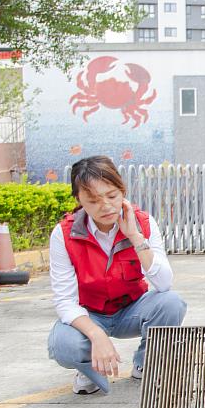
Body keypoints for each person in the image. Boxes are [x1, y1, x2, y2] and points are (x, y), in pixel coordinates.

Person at [48, 156, 187, 394]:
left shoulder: (143, 222)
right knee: (63, 344)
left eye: (112, 196)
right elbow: (64, 301)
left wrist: (134, 236)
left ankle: (146, 362)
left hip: (132, 310)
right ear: (79, 200)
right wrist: (95, 334)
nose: (105, 206)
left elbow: (164, 284)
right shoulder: (64, 234)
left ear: (122, 191)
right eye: (93, 200)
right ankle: (90, 369)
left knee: (171, 303)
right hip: (90, 314)